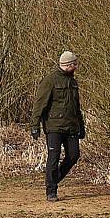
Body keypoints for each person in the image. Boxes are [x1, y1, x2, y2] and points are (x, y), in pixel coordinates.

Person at [31, 51, 85, 202]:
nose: (76, 66)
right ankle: (51, 191)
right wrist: (35, 125)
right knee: (53, 157)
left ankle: (54, 179)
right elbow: (39, 104)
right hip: (54, 126)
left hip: (71, 127)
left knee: (74, 155)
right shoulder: (50, 80)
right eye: (74, 64)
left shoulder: (73, 82)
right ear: (68, 65)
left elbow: (77, 107)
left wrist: (81, 126)